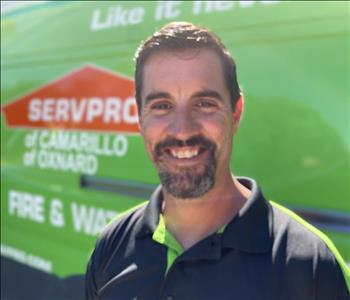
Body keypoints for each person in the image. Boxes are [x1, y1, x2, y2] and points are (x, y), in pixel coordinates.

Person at [85, 22, 349, 300]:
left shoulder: (312, 265)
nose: (183, 130)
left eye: (205, 104)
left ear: (236, 114)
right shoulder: (112, 243)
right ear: (140, 119)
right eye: (162, 105)